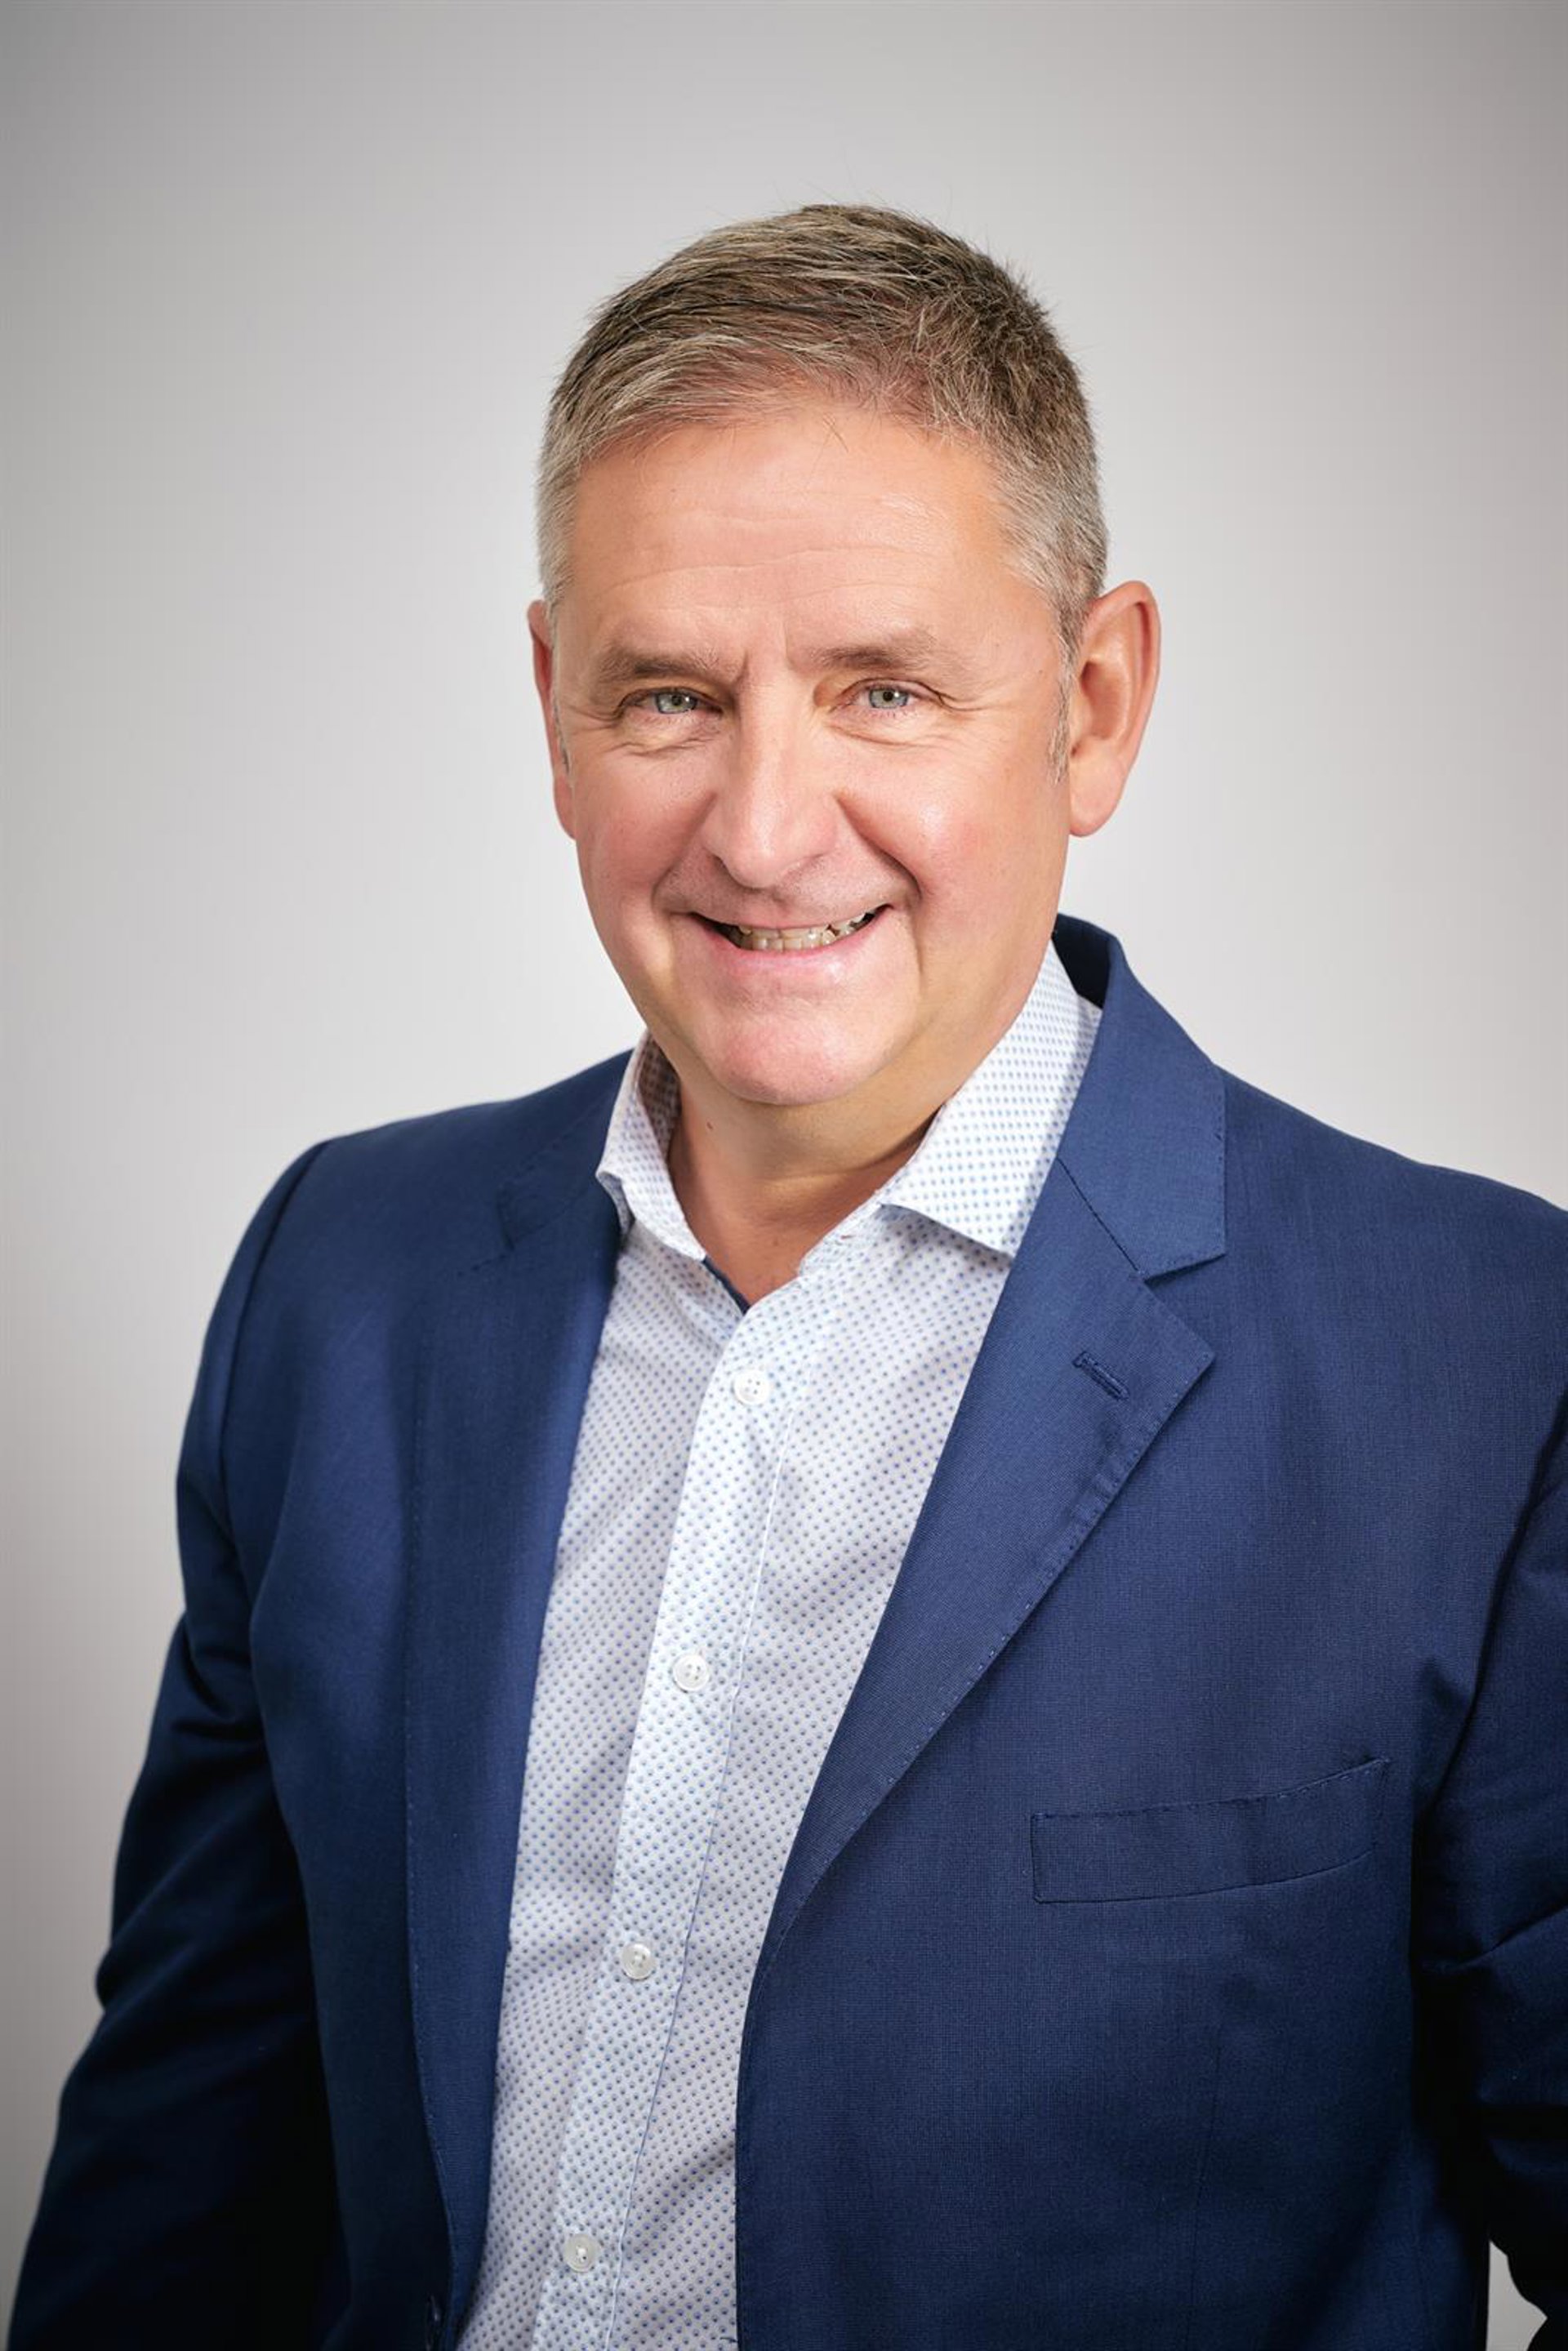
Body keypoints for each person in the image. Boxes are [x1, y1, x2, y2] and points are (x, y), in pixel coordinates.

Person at [10, 202, 1566, 2351]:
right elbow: (179, 2194)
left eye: (884, 691)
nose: (763, 829)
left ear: (1094, 705)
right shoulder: (340, 1290)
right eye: (670, 695)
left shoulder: (1483, 1367)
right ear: (555, 713)